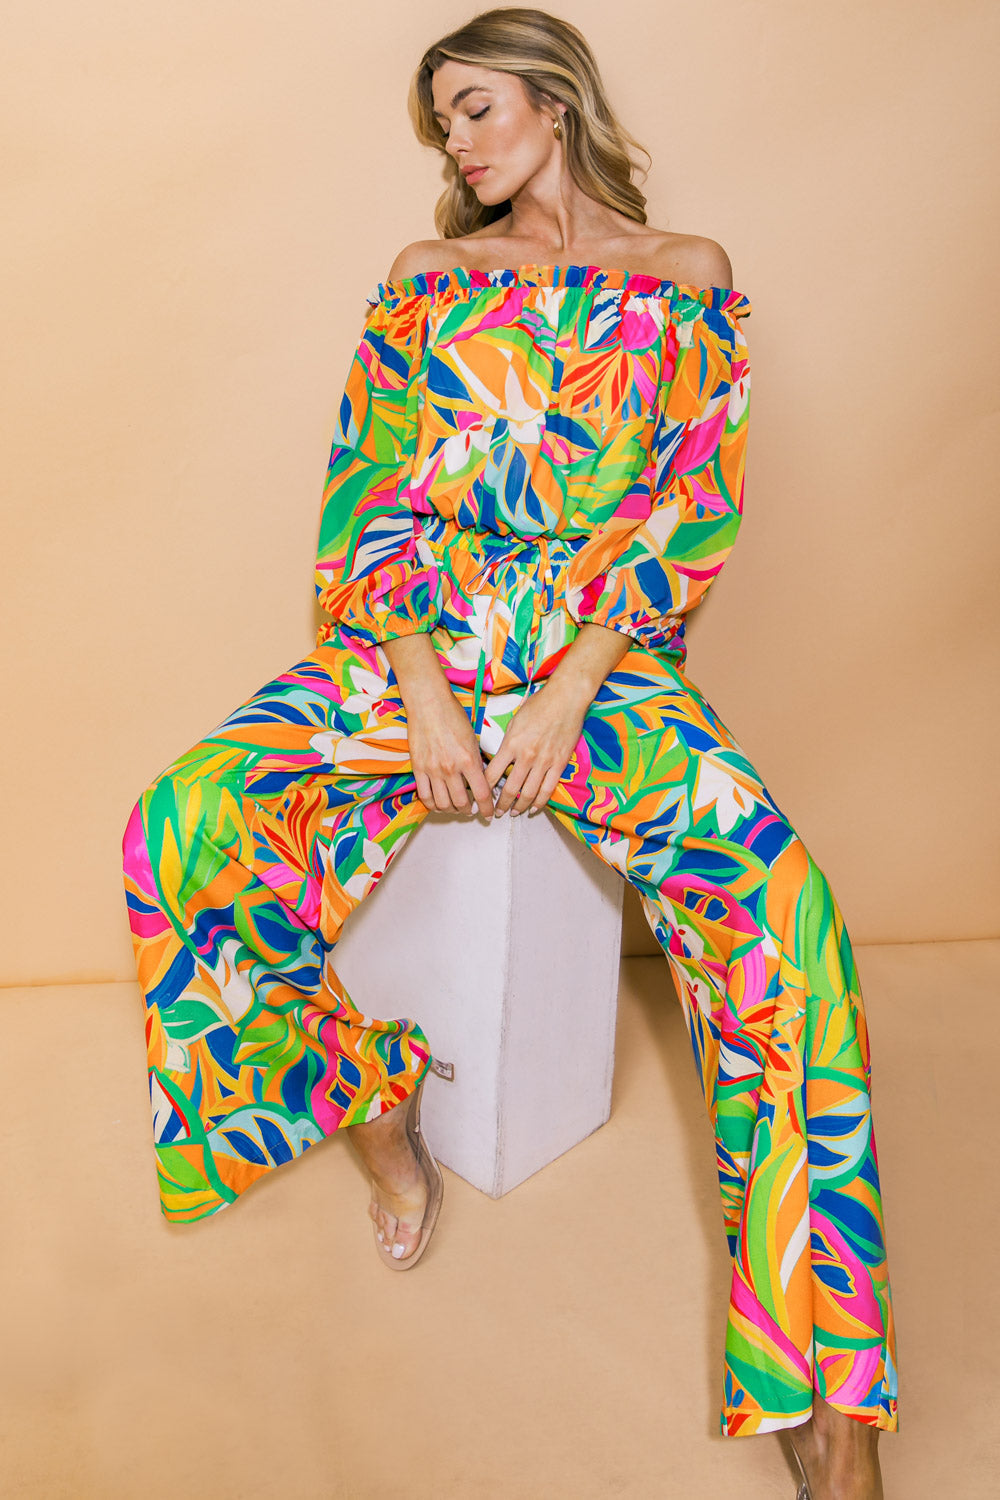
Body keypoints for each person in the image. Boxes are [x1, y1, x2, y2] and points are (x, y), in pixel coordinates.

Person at [121, 8, 897, 1496]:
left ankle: (829, 1402)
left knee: (794, 935)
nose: (458, 141)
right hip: (421, 646)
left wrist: (574, 690)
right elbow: (370, 494)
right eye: (443, 122)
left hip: (604, 666)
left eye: (476, 106)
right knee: (182, 822)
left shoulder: (688, 276)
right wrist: (420, 685)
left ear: (556, 97)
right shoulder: (429, 278)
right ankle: (372, 1104)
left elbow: (690, 506)